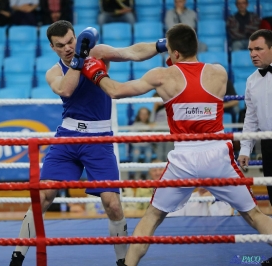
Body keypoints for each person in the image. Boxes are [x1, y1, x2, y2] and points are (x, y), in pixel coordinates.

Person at [80, 23, 272, 266]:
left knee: (152, 217)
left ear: (175, 53)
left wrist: (94, 70)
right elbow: (193, 81)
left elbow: (116, 91)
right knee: (254, 215)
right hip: (217, 154)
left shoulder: (162, 76)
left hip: (184, 158)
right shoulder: (219, 72)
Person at [8, 20, 164, 266]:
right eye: (61, 45)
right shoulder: (54, 72)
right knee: (43, 196)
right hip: (68, 137)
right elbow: (67, 90)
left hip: (99, 139)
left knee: (112, 204)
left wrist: (161, 45)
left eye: (71, 41)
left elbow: (132, 52)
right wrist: (79, 60)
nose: (68, 48)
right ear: (53, 47)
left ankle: (123, 261)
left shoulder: (97, 53)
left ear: (75, 36)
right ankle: (17, 257)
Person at [238, 29, 272, 215]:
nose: (253, 54)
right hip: (267, 144)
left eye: (258, 49)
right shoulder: (252, 81)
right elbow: (250, 118)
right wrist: (245, 149)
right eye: (250, 50)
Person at [167, 187, 234, 216]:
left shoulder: (224, 199)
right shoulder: (189, 198)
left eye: (205, 182)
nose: (202, 187)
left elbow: (223, 225)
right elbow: (171, 218)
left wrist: (210, 202)